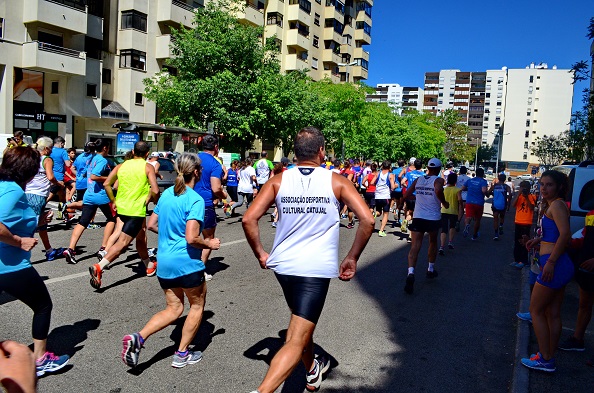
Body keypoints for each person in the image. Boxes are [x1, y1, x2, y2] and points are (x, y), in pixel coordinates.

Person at [242, 127, 373, 393]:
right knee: (294, 339)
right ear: (322, 151)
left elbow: (248, 218)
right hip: (314, 270)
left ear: (296, 152)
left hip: (284, 267)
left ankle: (311, 370)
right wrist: (352, 257)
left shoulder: (279, 180)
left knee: (301, 324)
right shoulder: (337, 181)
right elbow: (368, 220)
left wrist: (261, 253)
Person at [122, 153, 221, 369]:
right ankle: (182, 353)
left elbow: (151, 224)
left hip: (165, 263)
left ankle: (139, 337)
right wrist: (210, 244)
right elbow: (192, 238)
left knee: (174, 309)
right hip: (186, 263)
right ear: (196, 172)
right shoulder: (194, 199)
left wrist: (170, 233)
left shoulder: (167, 194)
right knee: (197, 306)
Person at [0, 147, 70, 377]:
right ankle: (40, 360)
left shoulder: (4, 186)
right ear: (29, 172)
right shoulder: (12, 191)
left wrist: (37, 219)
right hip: (10, 265)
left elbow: (12, 219)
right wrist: (19, 241)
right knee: (43, 305)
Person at [521, 170, 573, 372]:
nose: (544, 188)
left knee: (535, 310)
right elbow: (556, 234)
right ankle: (548, 353)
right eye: (542, 184)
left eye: (549, 184)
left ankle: (545, 358)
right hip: (557, 264)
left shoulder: (557, 205)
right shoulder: (554, 205)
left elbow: (566, 235)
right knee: (552, 313)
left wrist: (550, 261)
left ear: (559, 187)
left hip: (555, 265)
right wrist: (539, 240)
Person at [88, 141, 159, 289]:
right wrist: (151, 201)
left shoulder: (121, 166)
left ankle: (148, 265)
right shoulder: (148, 167)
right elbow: (156, 190)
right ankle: (99, 267)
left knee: (141, 236)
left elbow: (107, 183)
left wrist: (113, 200)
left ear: (133, 152)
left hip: (122, 209)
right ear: (147, 154)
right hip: (135, 211)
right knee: (123, 243)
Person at [62, 139, 116, 264]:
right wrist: (109, 178)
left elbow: (85, 173)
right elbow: (93, 176)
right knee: (112, 219)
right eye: (108, 148)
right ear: (105, 148)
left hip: (89, 194)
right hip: (101, 195)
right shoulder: (102, 160)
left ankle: (70, 249)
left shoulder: (92, 158)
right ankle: (103, 248)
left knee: (83, 222)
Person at [399, 158, 448, 294]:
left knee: (415, 246)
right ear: (438, 169)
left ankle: (411, 273)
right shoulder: (438, 180)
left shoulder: (419, 180)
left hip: (418, 216)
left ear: (428, 167)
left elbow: (408, 194)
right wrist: (444, 202)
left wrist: (405, 201)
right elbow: (438, 190)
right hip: (432, 217)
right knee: (432, 242)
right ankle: (430, 269)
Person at [558, 209, 594, 355]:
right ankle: (577, 340)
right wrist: (568, 243)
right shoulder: (591, 213)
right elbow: (585, 237)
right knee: (584, 305)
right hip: (587, 270)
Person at [24, 137, 65, 261]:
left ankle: (49, 250)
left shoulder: (32, 158)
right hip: (38, 194)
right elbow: (50, 176)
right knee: (33, 224)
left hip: (28, 193)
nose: (52, 150)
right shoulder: (47, 159)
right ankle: (22, 253)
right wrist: (59, 184)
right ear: (46, 148)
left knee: (41, 224)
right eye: (51, 148)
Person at [193, 135, 227, 281]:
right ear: (216, 147)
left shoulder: (192, 159)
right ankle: (199, 269)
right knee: (208, 238)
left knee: (189, 236)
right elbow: (216, 187)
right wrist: (223, 195)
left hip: (186, 202)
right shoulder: (215, 164)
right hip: (205, 204)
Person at [61, 142, 95, 222]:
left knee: (81, 201)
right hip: (88, 182)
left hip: (80, 182)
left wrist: (79, 175)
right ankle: (90, 221)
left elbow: (72, 168)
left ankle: (67, 206)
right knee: (91, 202)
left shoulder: (79, 157)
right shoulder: (93, 157)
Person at [509, 181, 537, 269]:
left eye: (525, 188)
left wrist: (527, 197)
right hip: (518, 221)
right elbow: (513, 205)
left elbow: (532, 207)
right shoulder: (519, 196)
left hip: (526, 222)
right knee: (517, 242)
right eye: (522, 188)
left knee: (524, 242)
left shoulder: (532, 196)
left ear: (529, 189)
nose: (524, 190)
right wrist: (519, 194)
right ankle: (516, 259)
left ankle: (524, 260)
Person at [400, 159, 425, 240]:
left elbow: (402, 182)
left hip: (409, 196)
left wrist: (407, 187)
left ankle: (406, 220)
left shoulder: (409, 173)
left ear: (414, 165)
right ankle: (411, 235)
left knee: (410, 212)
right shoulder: (423, 175)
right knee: (415, 216)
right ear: (422, 166)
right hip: (418, 197)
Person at [439, 172, 462, 255]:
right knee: (452, 227)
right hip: (453, 211)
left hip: (444, 211)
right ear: (455, 180)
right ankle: (450, 242)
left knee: (443, 229)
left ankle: (441, 246)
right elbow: (459, 200)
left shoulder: (444, 189)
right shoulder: (457, 190)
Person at [371, 160, 396, 237]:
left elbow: (372, 183)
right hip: (386, 196)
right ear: (389, 167)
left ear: (382, 166)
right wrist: (396, 185)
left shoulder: (378, 173)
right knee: (385, 214)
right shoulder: (391, 175)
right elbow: (392, 187)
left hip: (377, 196)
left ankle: (375, 214)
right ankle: (381, 230)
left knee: (378, 211)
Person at [462, 167, 488, 240]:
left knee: (468, 216)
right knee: (477, 219)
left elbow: (463, 188)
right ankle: (474, 235)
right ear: (482, 174)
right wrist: (487, 193)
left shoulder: (470, 180)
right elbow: (483, 190)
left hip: (469, 201)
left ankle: (467, 225)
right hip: (479, 202)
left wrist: (470, 188)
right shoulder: (483, 181)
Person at [488, 173, 512, 240]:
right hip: (503, 204)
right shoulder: (506, 187)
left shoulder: (495, 186)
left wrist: (493, 194)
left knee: (495, 219)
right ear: (505, 179)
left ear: (498, 178)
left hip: (495, 204)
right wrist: (508, 203)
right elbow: (510, 194)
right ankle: (501, 225)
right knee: (502, 217)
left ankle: (496, 234)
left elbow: (488, 192)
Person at [49, 137, 71, 205]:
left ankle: (63, 212)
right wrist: (69, 159)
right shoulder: (63, 151)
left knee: (61, 195)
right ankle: (40, 208)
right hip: (59, 176)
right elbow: (68, 164)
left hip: (50, 174)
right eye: (63, 144)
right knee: (51, 194)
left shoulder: (50, 150)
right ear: (61, 143)